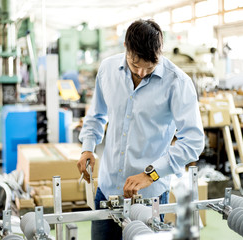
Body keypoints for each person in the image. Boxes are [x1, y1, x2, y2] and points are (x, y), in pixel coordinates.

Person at [77, 19, 205, 240]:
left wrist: (151, 174)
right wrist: (87, 148)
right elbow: (96, 115)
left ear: (160, 53)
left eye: (150, 67)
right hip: (107, 190)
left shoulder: (177, 83)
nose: (142, 73)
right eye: (135, 65)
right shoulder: (107, 70)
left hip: (149, 197)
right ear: (126, 48)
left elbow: (193, 142)